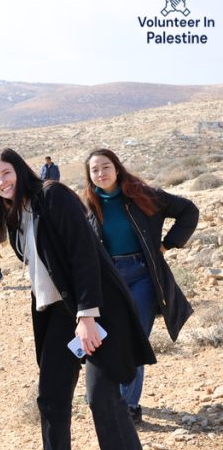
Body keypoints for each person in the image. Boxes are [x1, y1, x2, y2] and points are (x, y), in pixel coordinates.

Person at [0, 147, 157, 450]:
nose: (1, 183)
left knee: (102, 395)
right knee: (51, 395)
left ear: (21, 171)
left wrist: (87, 315)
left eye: (6, 174)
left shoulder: (53, 196)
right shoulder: (17, 215)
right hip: (58, 315)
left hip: (95, 309)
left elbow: (83, 254)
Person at [81, 148, 199, 424]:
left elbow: (188, 211)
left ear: (117, 168)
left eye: (105, 167)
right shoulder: (87, 205)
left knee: (135, 340)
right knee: (106, 339)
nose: (101, 173)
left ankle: (129, 406)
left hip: (142, 276)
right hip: (108, 280)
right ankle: (107, 399)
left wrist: (167, 244)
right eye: (95, 170)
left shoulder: (143, 194)